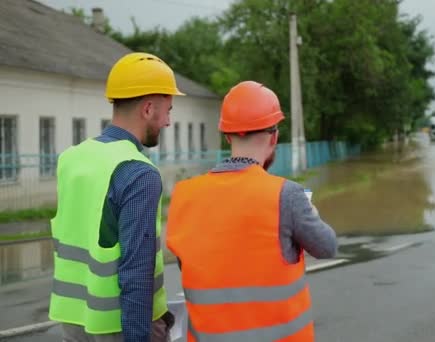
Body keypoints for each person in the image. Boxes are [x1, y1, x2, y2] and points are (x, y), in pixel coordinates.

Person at [166, 81, 338, 341]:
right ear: (274, 136)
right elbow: (327, 247)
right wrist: (310, 213)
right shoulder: (287, 195)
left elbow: (190, 265)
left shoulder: (183, 195)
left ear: (227, 136)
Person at [49, 52, 184, 341]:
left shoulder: (72, 158)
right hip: (119, 326)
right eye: (168, 110)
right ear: (148, 109)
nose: (168, 122)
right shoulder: (138, 172)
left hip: (73, 322)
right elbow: (136, 270)